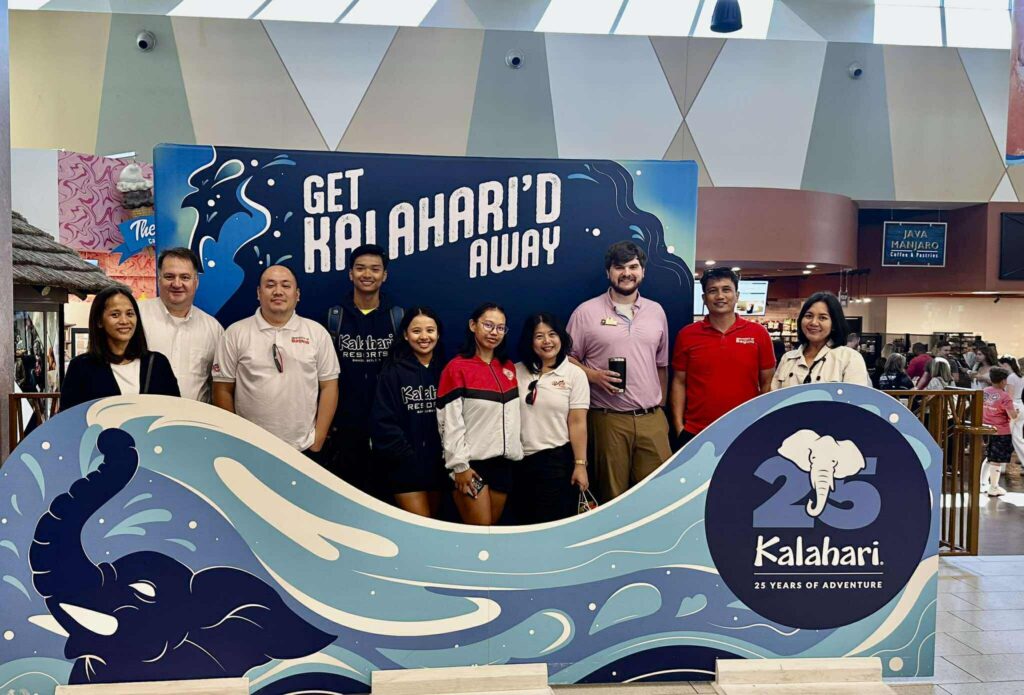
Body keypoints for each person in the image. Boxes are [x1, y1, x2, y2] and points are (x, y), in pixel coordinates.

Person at [567, 241, 671, 502]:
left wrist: (660, 408)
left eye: (633, 267)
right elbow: (565, 360)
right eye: (619, 267)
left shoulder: (656, 311)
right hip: (608, 420)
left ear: (643, 271)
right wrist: (593, 376)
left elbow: (661, 365)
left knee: (659, 495)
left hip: (652, 419)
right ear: (608, 272)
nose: (627, 273)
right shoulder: (585, 312)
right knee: (612, 497)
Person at [212, 265, 339, 459]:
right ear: (258, 293)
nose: (278, 291)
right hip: (250, 448)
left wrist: (318, 438)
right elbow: (222, 389)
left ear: (297, 295)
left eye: (286, 286)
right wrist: (235, 438)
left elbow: (329, 386)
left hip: (303, 447)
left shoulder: (317, 333)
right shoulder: (235, 333)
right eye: (270, 285)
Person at [325, 244, 404, 494]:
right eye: (360, 268)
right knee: (347, 495)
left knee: (387, 496)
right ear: (351, 274)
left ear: (384, 275)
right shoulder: (334, 317)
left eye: (375, 269)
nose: (367, 274)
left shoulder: (397, 317)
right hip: (346, 426)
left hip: (389, 426)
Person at [437, 303, 522, 525]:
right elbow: (449, 422)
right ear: (473, 325)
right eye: (488, 325)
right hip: (472, 466)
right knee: (481, 531)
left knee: (492, 531)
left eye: (500, 328)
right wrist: (460, 466)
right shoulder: (456, 368)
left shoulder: (508, 367)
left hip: (503, 465)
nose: (494, 332)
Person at [670, 267, 774, 449]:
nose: (720, 296)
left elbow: (767, 384)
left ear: (737, 295)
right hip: (697, 432)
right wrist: (679, 427)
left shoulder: (759, 334)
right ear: (704, 298)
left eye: (726, 289)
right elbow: (679, 382)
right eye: (713, 291)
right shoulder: (687, 335)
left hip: (745, 431)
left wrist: (761, 424)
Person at [514, 313, 591, 524]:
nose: (547, 341)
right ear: (530, 341)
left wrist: (580, 465)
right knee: (522, 524)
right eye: (539, 336)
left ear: (561, 338)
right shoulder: (515, 371)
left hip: (556, 463)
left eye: (552, 334)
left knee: (552, 524)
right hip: (518, 463)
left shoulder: (574, 374)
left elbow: (578, 423)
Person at [370, 307, 445, 518]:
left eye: (430, 330)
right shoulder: (392, 372)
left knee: (436, 525)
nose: (424, 337)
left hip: (438, 466)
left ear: (438, 334)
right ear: (405, 334)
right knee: (421, 525)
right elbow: (383, 422)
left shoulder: (446, 370)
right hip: (405, 467)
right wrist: (406, 457)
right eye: (416, 331)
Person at [60, 287, 180, 411]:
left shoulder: (158, 364)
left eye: (130, 314)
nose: (124, 321)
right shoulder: (81, 367)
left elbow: (175, 411)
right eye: (115, 315)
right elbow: (69, 417)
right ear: (99, 321)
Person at [139, 247, 224, 402]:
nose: (177, 284)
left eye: (185, 277)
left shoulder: (213, 329)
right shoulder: (136, 316)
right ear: (159, 280)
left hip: (194, 416)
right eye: (169, 276)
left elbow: (217, 384)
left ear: (196, 282)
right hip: (143, 414)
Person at [771, 292, 870, 390]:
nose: (814, 323)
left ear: (834, 324)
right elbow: (774, 397)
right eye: (809, 316)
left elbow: (856, 398)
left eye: (822, 318)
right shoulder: (787, 359)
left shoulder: (849, 358)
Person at [980, 367, 1019, 497]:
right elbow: (1012, 415)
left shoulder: (984, 391)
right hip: (1000, 431)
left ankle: (982, 483)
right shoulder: (1005, 396)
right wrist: (1017, 413)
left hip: (986, 429)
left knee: (989, 457)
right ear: (1003, 381)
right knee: (996, 460)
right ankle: (994, 487)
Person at [997, 355, 1024, 465]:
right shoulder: (1020, 376)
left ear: (1005, 365)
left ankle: (1001, 463)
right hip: (1020, 405)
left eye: (1000, 366)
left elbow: (1009, 396)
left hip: (1013, 406)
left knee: (1006, 436)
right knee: (1017, 438)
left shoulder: (1010, 377)